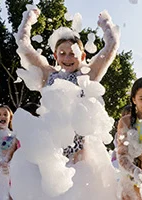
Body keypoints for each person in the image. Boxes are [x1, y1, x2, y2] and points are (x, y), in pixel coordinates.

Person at [15, 5, 120, 163]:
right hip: (53, 149)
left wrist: (106, 23)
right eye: (62, 54)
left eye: (73, 53)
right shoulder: (47, 74)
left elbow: (111, 46)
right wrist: (28, 18)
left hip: (81, 151)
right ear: (55, 56)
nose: (67, 58)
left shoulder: (87, 75)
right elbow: (23, 44)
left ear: (82, 55)